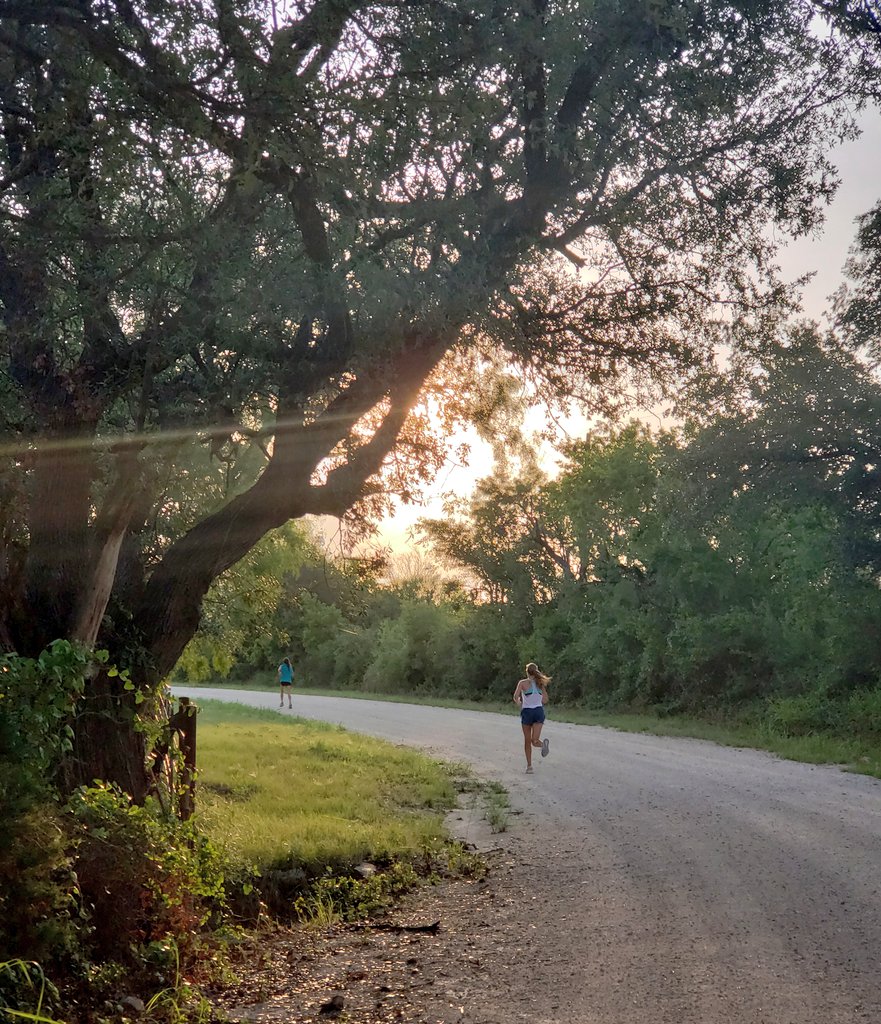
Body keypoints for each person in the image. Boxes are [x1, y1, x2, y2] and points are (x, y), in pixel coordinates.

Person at [513, 662, 551, 773]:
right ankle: (542, 744)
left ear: (527, 672)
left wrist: (519, 702)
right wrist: (537, 698)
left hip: (527, 712)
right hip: (539, 712)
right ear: (536, 671)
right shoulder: (540, 684)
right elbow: (545, 700)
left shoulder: (522, 683)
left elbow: (516, 696)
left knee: (527, 741)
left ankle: (529, 767)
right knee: (534, 740)